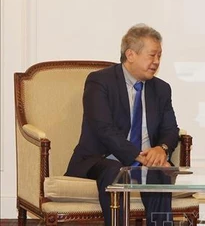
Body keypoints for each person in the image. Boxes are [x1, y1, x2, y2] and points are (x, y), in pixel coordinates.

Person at [65, 23, 179, 226]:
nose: (156, 61)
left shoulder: (161, 89)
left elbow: (171, 129)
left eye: (159, 56)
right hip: (101, 159)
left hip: (147, 160)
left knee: (161, 170)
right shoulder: (100, 81)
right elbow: (103, 129)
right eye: (152, 55)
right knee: (115, 170)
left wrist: (161, 150)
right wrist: (138, 155)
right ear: (131, 54)